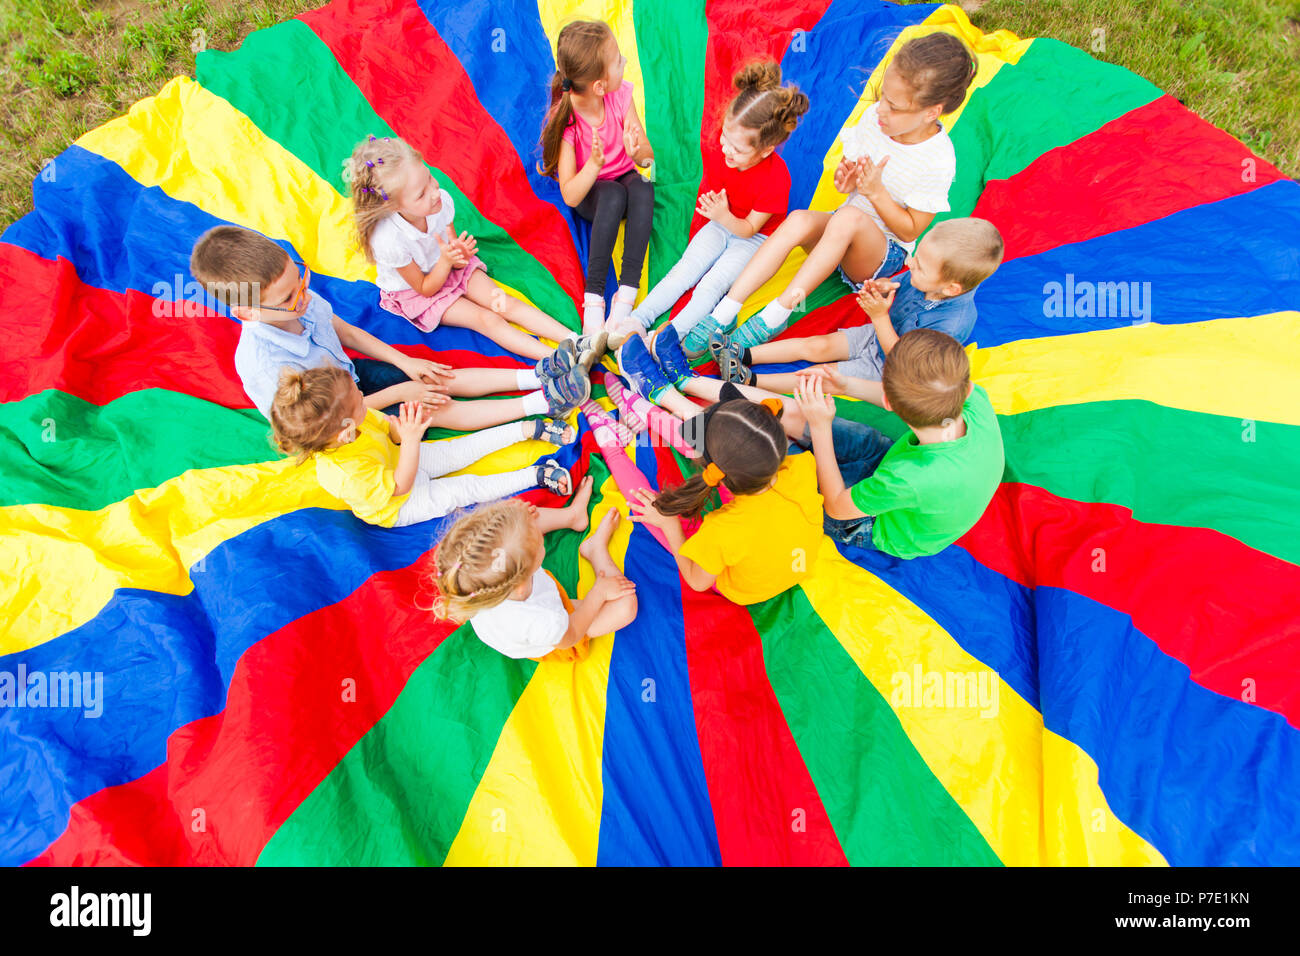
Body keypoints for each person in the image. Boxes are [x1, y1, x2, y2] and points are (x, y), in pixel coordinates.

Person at [694, 32, 976, 353]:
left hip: (879, 258)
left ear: (931, 113)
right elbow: (849, 184)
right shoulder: (875, 120)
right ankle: (726, 310)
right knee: (800, 220)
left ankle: (776, 314)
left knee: (850, 218)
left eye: (894, 107)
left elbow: (910, 229)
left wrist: (877, 193)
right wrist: (848, 181)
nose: (881, 110)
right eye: (881, 96)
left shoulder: (937, 160)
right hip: (840, 233)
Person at [712, 217, 1002, 390]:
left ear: (951, 287)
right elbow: (905, 282)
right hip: (877, 336)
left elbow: (904, 358)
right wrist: (887, 286)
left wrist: (878, 316)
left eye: (921, 267)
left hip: (892, 369)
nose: (911, 263)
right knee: (816, 346)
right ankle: (742, 352)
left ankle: (749, 380)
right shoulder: (927, 279)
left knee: (820, 376)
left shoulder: (951, 323)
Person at [269, 365, 577, 528]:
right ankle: (536, 475)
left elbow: (389, 431)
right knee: (464, 489)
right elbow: (401, 486)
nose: (366, 400)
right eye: (359, 400)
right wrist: (413, 439)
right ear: (345, 430)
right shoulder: (345, 474)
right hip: (400, 503)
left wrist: (404, 429)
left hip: (401, 458)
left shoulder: (356, 421)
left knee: (461, 449)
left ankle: (529, 428)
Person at [793, 328, 1004, 558]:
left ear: (887, 403)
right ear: (968, 388)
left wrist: (820, 427)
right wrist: (846, 386)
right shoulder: (975, 398)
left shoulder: (911, 477)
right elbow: (912, 390)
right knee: (811, 426)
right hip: (899, 471)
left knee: (794, 480)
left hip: (867, 524)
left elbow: (836, 508)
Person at [538, 20, 655, 335]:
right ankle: (594, 300)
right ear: (599, 85)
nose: (625, 63)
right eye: (618, 60)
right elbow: (571, 196)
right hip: (593, 195)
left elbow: (647, 159)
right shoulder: (568, 120)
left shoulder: (620, 96)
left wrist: (636, 152)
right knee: (613, 194)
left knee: (643, 187)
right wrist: (592, 164)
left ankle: (626, 295)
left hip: (624, 180)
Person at [429, 496, 637, 661]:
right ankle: (595, 549)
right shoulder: (543, 620)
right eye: (539, 544)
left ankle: (572, 516)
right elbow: (571, 634)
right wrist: (598, 593)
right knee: (626, 606)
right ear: (522, 585)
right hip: (563, 634)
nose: (539, 537)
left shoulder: (473, 576)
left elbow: (514, 530)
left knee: (523, 520)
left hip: (529, 601)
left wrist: (515, 516)